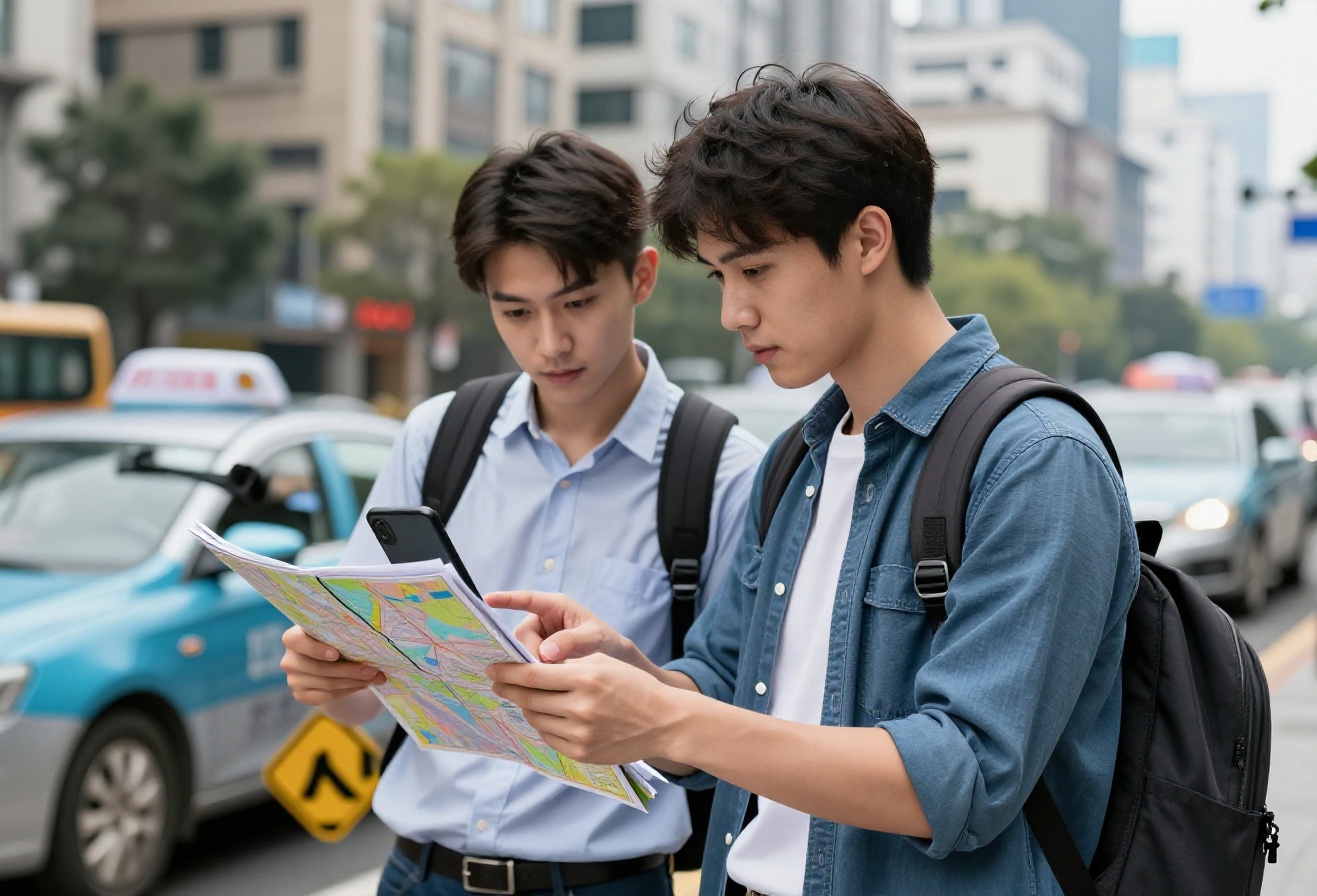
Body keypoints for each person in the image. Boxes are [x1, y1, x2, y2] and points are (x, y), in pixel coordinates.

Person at [484, 65, 1140, 896]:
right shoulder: (797, 460)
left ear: (867, 240)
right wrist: (634, 679)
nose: (733, 312)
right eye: (720, 277)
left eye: (755, 270)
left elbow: (966, 776)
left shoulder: (1034, 459)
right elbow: (729, 689)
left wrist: (670, 717)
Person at [277, 131, 764, 896]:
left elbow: (731, 737)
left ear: (640, 277)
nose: (550, 342)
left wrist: (641, 690)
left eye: (578, 303)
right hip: (418, 875)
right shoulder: (437, 439)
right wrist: (330, 680)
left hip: (605, 883)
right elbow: (366, 697)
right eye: (515, 311)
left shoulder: (725, 474)